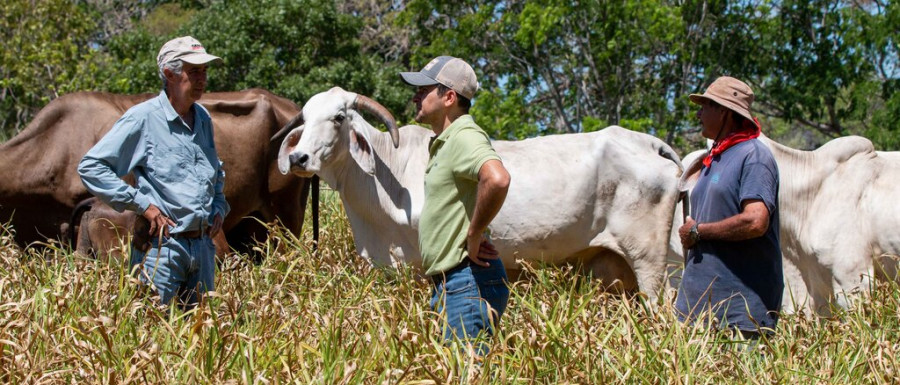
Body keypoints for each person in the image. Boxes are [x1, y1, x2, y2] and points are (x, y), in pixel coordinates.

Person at [78, 36, 229, 308]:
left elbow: (215, 172)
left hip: (203, 250)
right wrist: (143, 205)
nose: (202, 78)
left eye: (205, 71)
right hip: (162, 251)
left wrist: (219, 205)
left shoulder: (203, 118)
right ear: (169, 74)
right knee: (152, 334)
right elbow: (91, 167)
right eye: (193, 71)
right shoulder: (143, 118)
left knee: (200, 337)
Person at [400, 56, 511, 348]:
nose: (416, 96)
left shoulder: (464, 135)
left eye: (425, 90)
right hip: (454, 285)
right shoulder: (447, 141)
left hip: (467, 282)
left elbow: (497, 179)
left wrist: (474, 234)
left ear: (449, 97)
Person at [676, 76, 784, 339]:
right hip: (697, 309)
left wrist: (699, 232)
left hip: (739, 313)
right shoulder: (716, 157)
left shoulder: (754, 157)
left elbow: (756, 221)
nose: (699, 113)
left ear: (724, 112)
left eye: (706, 106)